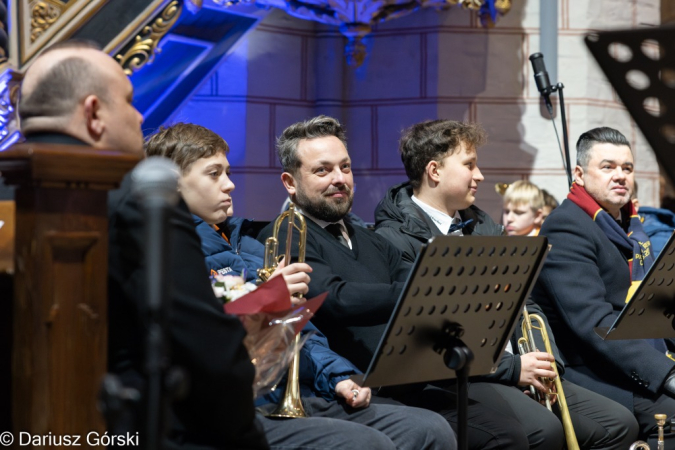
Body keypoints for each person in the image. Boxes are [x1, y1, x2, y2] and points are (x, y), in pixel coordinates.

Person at [18, 40, 271, 449]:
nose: (139, 115)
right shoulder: (138, 198)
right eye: (130, 100)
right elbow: (203, 344)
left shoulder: (11, 191)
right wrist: (247, 434)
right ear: (93, 113)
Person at [144, 122, 457, 450]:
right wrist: (268, 297)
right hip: (243, 402)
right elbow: (209, 337)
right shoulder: (171, 248)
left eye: (228, 172)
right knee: (366, 444)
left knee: (429, 428)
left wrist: (339, 376)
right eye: (214, 174)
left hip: (303, 390)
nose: (230, 185)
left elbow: (299, 328)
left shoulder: (247, 243)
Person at [259, 115, 537, 450]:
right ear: (290, 182)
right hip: (350, 387)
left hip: (405, 377)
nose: (339, 179)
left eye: (345, 168)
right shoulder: (286, 234)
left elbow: (414, 279)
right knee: (443, 432)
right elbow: (337, 299)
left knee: (510, 432)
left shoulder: (368, 237)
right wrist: (423, 291)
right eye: (323, 170)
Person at [374, 119, 639, 450]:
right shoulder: (394, 240)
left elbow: (528, 304)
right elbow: (431, 331)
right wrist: (513, 369)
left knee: (618, 424)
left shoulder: (484, 227)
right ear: (434, 171)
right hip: (458, 377)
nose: (480, 175)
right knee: (544, 431)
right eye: (469, 165)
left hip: (517, 365)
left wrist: (546, 359)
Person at [530, 126, 675, 442]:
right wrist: (667, 373)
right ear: (580, 174)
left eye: (627, 168)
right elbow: (594, 324)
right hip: (592, 367)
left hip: (631, 355)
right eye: (608, 167)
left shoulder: (630, 225)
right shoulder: (566, 227)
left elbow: (655, 305)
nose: (621, 176)